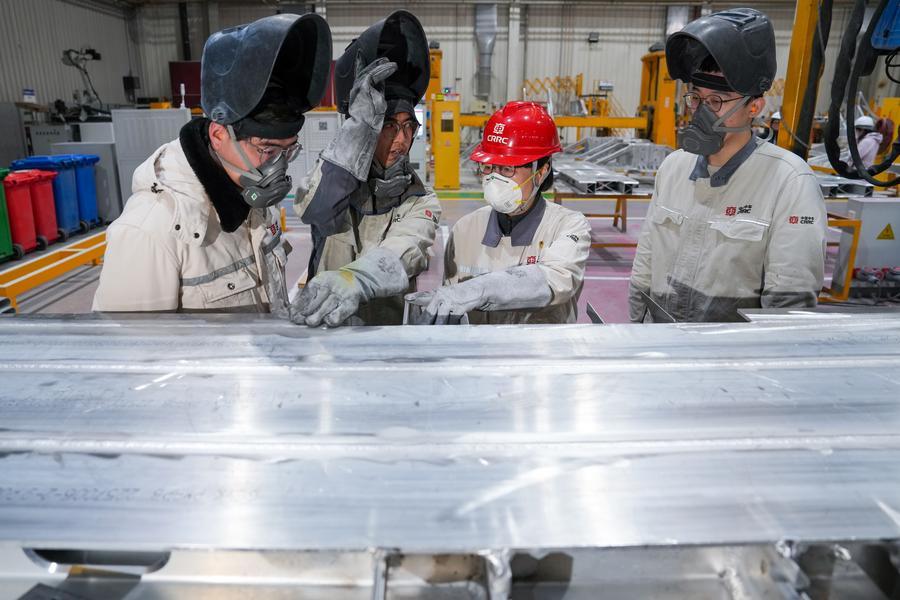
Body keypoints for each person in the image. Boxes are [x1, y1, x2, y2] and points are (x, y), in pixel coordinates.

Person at [93, 14, 331, 315]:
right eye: (268, 149)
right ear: (219, 135)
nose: (278, 166)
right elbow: (131, 343)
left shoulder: (252, 199)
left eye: (288, 150)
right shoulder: (149, 231)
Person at [628, 8, 827, 323]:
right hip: (660, 339)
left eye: (717, 101)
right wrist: (635, 328)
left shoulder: (789, 181)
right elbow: (646, 261)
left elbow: (790, 299)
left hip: (731, 349)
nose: (702, 111)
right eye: (696, 98)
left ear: (754, 107)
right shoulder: (674, 167)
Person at [292, 10, 441, 327]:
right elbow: (315, 211)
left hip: (385, 338)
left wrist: (354, 279)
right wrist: (359, 128)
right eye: (388, 126)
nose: (401, 139)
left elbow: (406, 249)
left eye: (408, 127)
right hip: (325, 330)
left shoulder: (420, 200)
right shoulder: (334, 180)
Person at [406, 101, 591, 325]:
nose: (494, 178)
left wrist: (481, 288)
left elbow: (558, 278)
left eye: (507, 169)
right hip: (478, 347)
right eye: (488, 167)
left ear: (542, 171)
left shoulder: (568, 225)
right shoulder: (466, 229)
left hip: (541, 348)